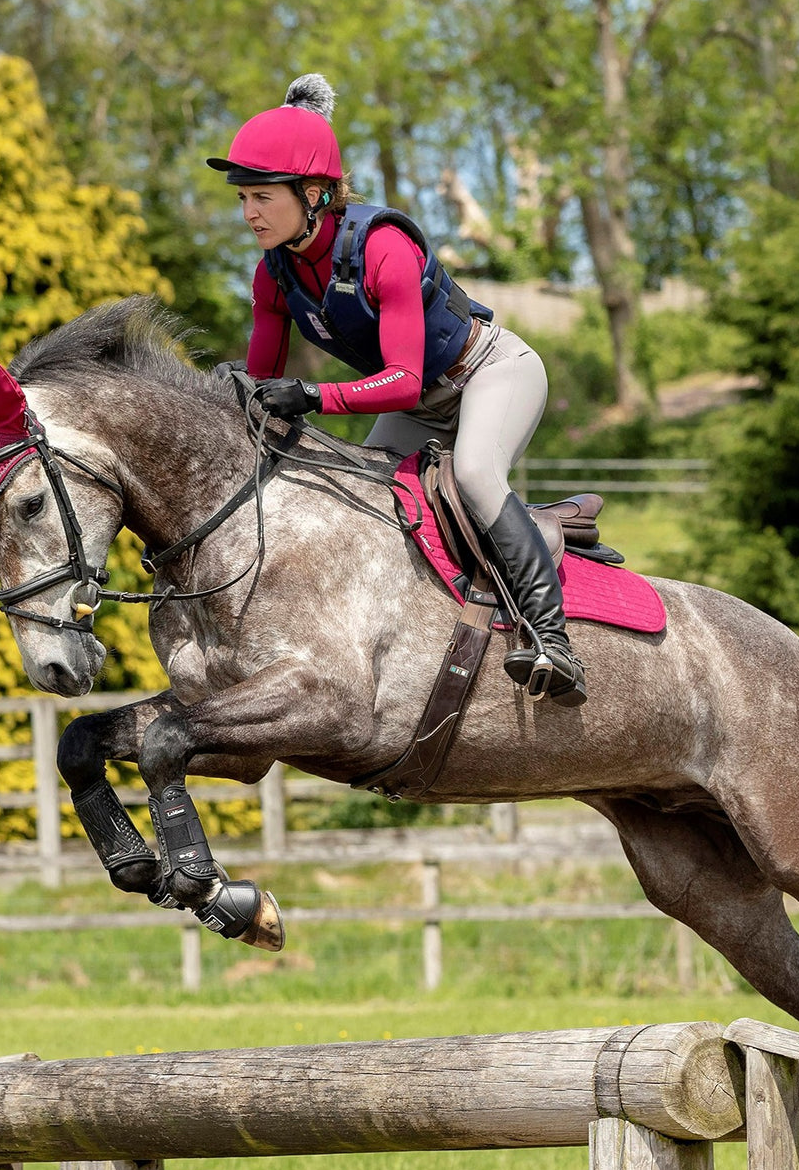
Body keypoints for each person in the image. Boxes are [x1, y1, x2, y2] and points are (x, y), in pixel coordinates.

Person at [208, 74, 586, 707]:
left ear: (315, 193)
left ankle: (553, 640)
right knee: (370, 496)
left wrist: (311, 396)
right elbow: (263, 385)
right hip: (416, 403)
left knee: (475, 474)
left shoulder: (382, 247)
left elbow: (401, 378)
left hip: (489, 373)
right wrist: (229, 396)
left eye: (263, 197)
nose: (249, 214)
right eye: (243, 198)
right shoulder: (273, 274)